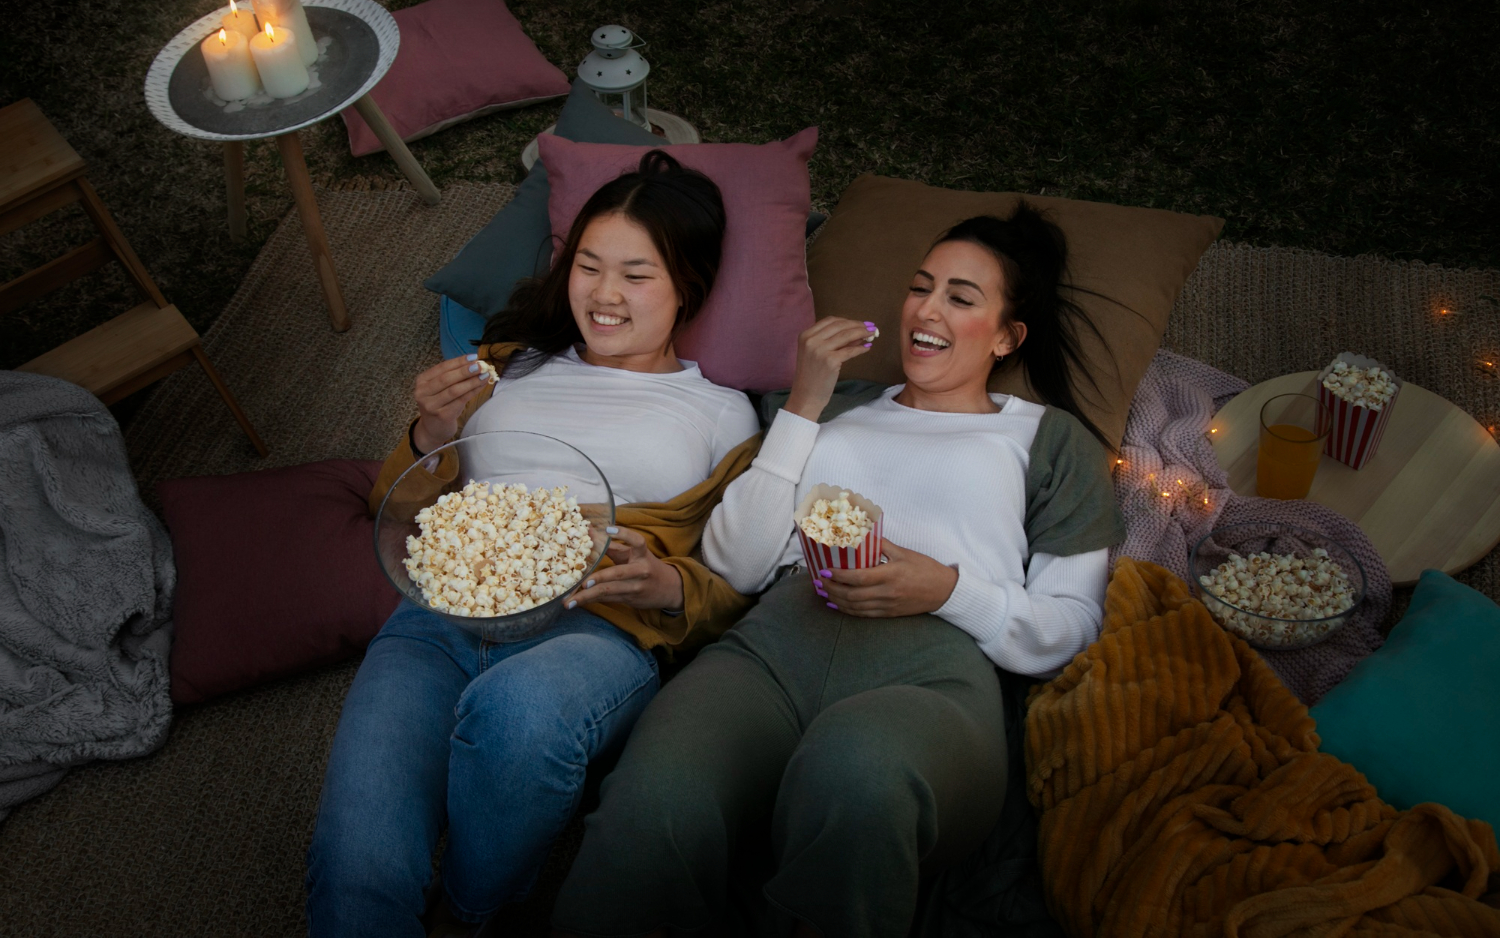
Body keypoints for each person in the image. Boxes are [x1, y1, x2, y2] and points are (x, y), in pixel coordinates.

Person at [552, 202, 1126, 938]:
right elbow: (735, 561)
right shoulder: (836, 409)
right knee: (653, 798)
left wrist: (949, 589)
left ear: (1008, 336)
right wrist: (803, 404)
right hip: (769, 653)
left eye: (961, 296)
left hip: (930, 675)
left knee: (856, 775)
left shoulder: (1048, 440)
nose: (927, 308)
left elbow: (1072, 629)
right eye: (921, 286)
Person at [305, 152, 762, 938]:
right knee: (356, 871)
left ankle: (474, 915)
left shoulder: (722, 414)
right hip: (439, 620)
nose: (605, 294)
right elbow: (399, 512)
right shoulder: (503, 368)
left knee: (516, 711)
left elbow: (736, 581)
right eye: (588, 265)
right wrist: (430, 434)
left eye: (637, 274)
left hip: (596, 629)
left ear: (690, 283)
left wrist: (668, 587)